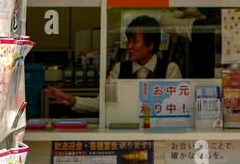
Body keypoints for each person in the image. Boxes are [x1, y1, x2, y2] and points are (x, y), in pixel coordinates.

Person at [44, 14, 182, 114]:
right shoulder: (120, 69)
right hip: (125, 134)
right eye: (128, 41)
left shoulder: (170, 69)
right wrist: (71, 100)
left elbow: (178, 107)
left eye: (134, 41)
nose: (129, 46)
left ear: (150, 44)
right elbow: (102, 104)